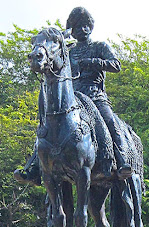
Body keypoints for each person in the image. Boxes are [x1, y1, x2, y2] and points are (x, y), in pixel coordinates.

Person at [16, 6, 132, 184]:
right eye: (77, 27)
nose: (82, 29)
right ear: (72, 31)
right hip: (73, 98)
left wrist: (92, 63)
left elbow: (116, 65)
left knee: (110, 121)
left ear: (90, 27)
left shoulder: (100, 46)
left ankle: (121, 161)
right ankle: (35, 167)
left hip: (95, 95)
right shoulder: (67, 51)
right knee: (46, 126)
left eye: (85, 25)